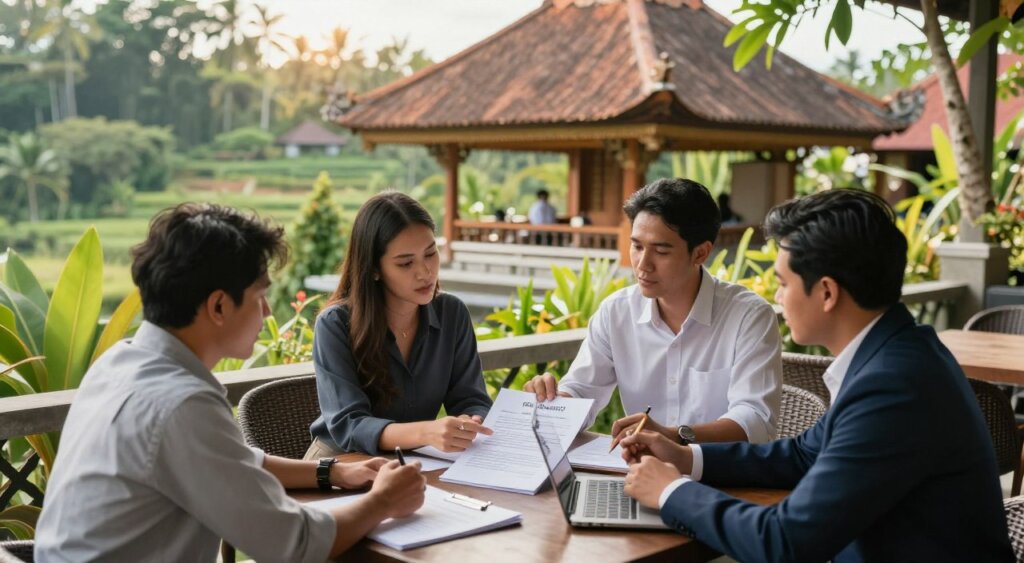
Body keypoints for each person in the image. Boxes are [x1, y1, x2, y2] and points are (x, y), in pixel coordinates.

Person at [621, 189, 1013, 562]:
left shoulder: (894, 385)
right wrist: (687, 457)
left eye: (782, 283)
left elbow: (786, 541)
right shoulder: (897, 353)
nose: (777, 297)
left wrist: (672, 491)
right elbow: (804, 453)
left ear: (826, 293)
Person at [35, 203, 426, 563]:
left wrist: (331, 472)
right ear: (219, 306)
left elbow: (233, 463)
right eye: (260, 296)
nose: (268, 311)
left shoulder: (120, 361)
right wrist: (382, 502)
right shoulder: (180, 404)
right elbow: (293, 544)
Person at [525, 178, 782, 446]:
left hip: (721, 477)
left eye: (660, 250)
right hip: (640, 474)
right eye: (636, 246)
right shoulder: (616, 313)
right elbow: (581, 390)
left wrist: (674, 436)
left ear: (701, 253)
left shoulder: (748, 317)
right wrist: (553, 399)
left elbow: (755, 420)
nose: (643, 265)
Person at [306, 191, 493, 458]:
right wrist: (426, 432)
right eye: (406, 263)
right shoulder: (335, 324)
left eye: (430, 254)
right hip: (340, 461)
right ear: (373, 268)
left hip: (415, 460)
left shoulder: (452, 313)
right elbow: (349, 424)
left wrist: (471, 421)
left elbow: (471, 398)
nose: (425, 272)